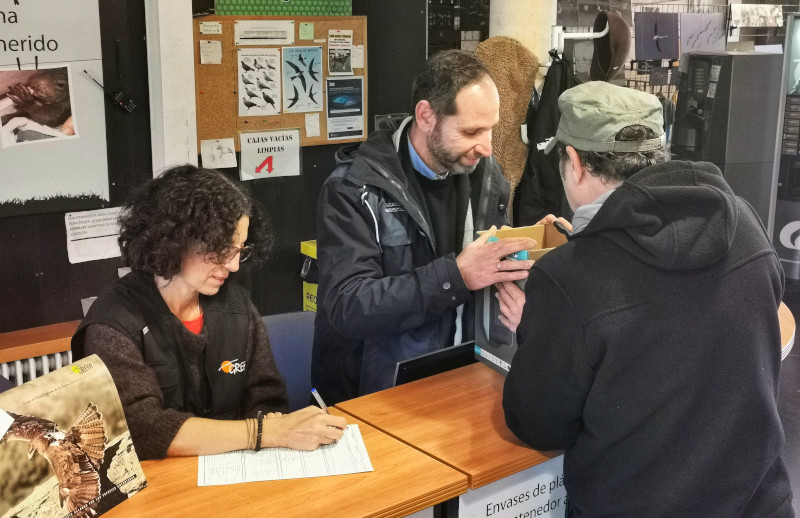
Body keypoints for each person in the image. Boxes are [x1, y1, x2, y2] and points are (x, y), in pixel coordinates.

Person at [503, 81, 794, 517]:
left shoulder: (568, 278)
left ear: (575, 162)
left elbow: (537, 424)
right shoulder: (745, 225)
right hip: (759, 503)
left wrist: (541, 323)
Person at [72, 165, 345, 460]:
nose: (234, 265)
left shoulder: (235, 304)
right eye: (223, 249)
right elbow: (144, 431)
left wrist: (269, 434)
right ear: (175, 239)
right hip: (162, 485)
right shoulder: (112, 326)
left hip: (239, 471)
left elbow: (265, 395)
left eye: (240, 249)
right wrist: (265, 433)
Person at [312, 49, 536, 403]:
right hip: (373, 393)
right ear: (426, 115)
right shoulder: (354, 189)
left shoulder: (484, 176)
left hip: (461, 376)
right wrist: (455, 276)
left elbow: (490, 269)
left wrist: (535, 248)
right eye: (471, 130)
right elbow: (348, 306)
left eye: (491, 128)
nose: (487, 147)